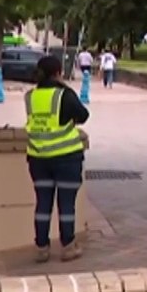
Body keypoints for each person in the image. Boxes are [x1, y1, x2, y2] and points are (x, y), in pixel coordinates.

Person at [25, 55, 90, 263]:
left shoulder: (30, 96)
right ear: (58, 72)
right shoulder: (64, 94)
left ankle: (41, 248)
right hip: (66, 158)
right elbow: (83, 115)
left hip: (38, 158)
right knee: (66, 204)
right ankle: (68, 246)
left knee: (43, 203)